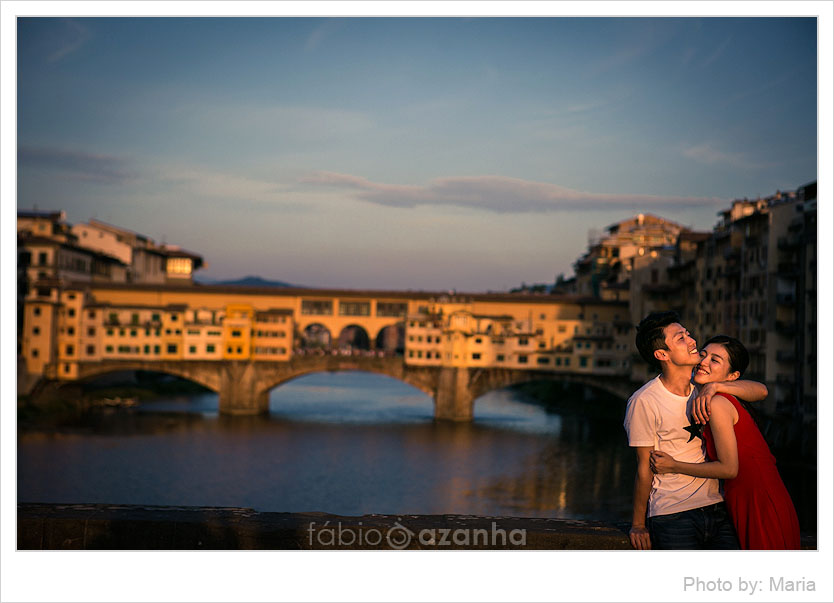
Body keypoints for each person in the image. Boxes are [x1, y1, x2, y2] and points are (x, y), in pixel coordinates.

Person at [623, 311, 768, 550]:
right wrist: (638, 524)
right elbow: (643, 467)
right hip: (673, 514)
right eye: (680, 338)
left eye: (688, 334)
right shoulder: (644, 400)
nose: (692, 341)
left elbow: (761, 391)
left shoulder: (702, 387)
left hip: (719, 508)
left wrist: (716, 386)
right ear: (662, 354)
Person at [649, 335, 801, 549]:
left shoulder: (719, 403)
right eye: (703, 354)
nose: (704, 361)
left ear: (733, 376)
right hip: (749, 499)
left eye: (715, 360)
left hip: (759, 502)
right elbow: (761, 390)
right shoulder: (713, 397)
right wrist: (715, 386)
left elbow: (729, 469)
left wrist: (674, 466)